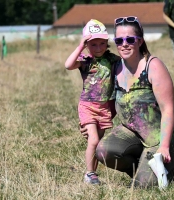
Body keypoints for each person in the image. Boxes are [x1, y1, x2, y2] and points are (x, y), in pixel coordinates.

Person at [81, 16, 174, 188]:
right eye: (119, 40)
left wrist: (165, 146)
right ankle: (146, 168)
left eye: (130, 39)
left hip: (160, 138)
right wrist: (92, 122)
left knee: (143, 186)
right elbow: (110, 104)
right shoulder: (115, 67)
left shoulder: (153, 66)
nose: (124, 44)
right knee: (103, 151)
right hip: (132, 133)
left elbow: (168, 110)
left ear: (140, 41)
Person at [64, 19, 120, 185]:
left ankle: (93, 173)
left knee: (97, 143)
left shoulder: (111, 59)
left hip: (104, 107)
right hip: (87, 106)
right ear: (87, 45)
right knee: (94, 140)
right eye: (93, 45)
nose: (98, 48)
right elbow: (68, 65)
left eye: (102, 43)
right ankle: (88, 173)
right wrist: (81, 45)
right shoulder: (85, 60)